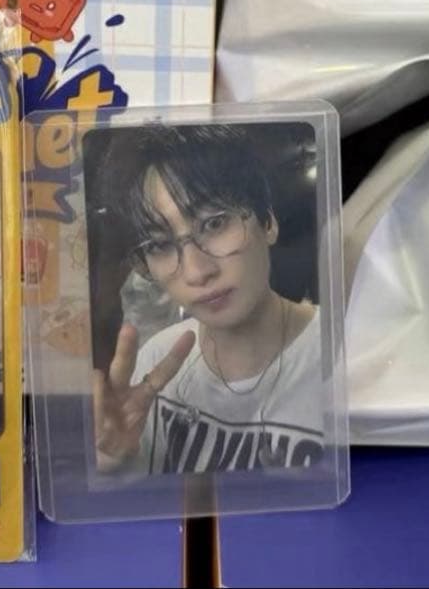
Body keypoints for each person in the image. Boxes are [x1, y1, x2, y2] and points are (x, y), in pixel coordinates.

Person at [89, 123, 324, 475]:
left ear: (268, 222)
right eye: (159, 244)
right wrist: (113, 465)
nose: (197, 271)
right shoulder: (157, 360)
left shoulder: (340, 352)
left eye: (215, 224)